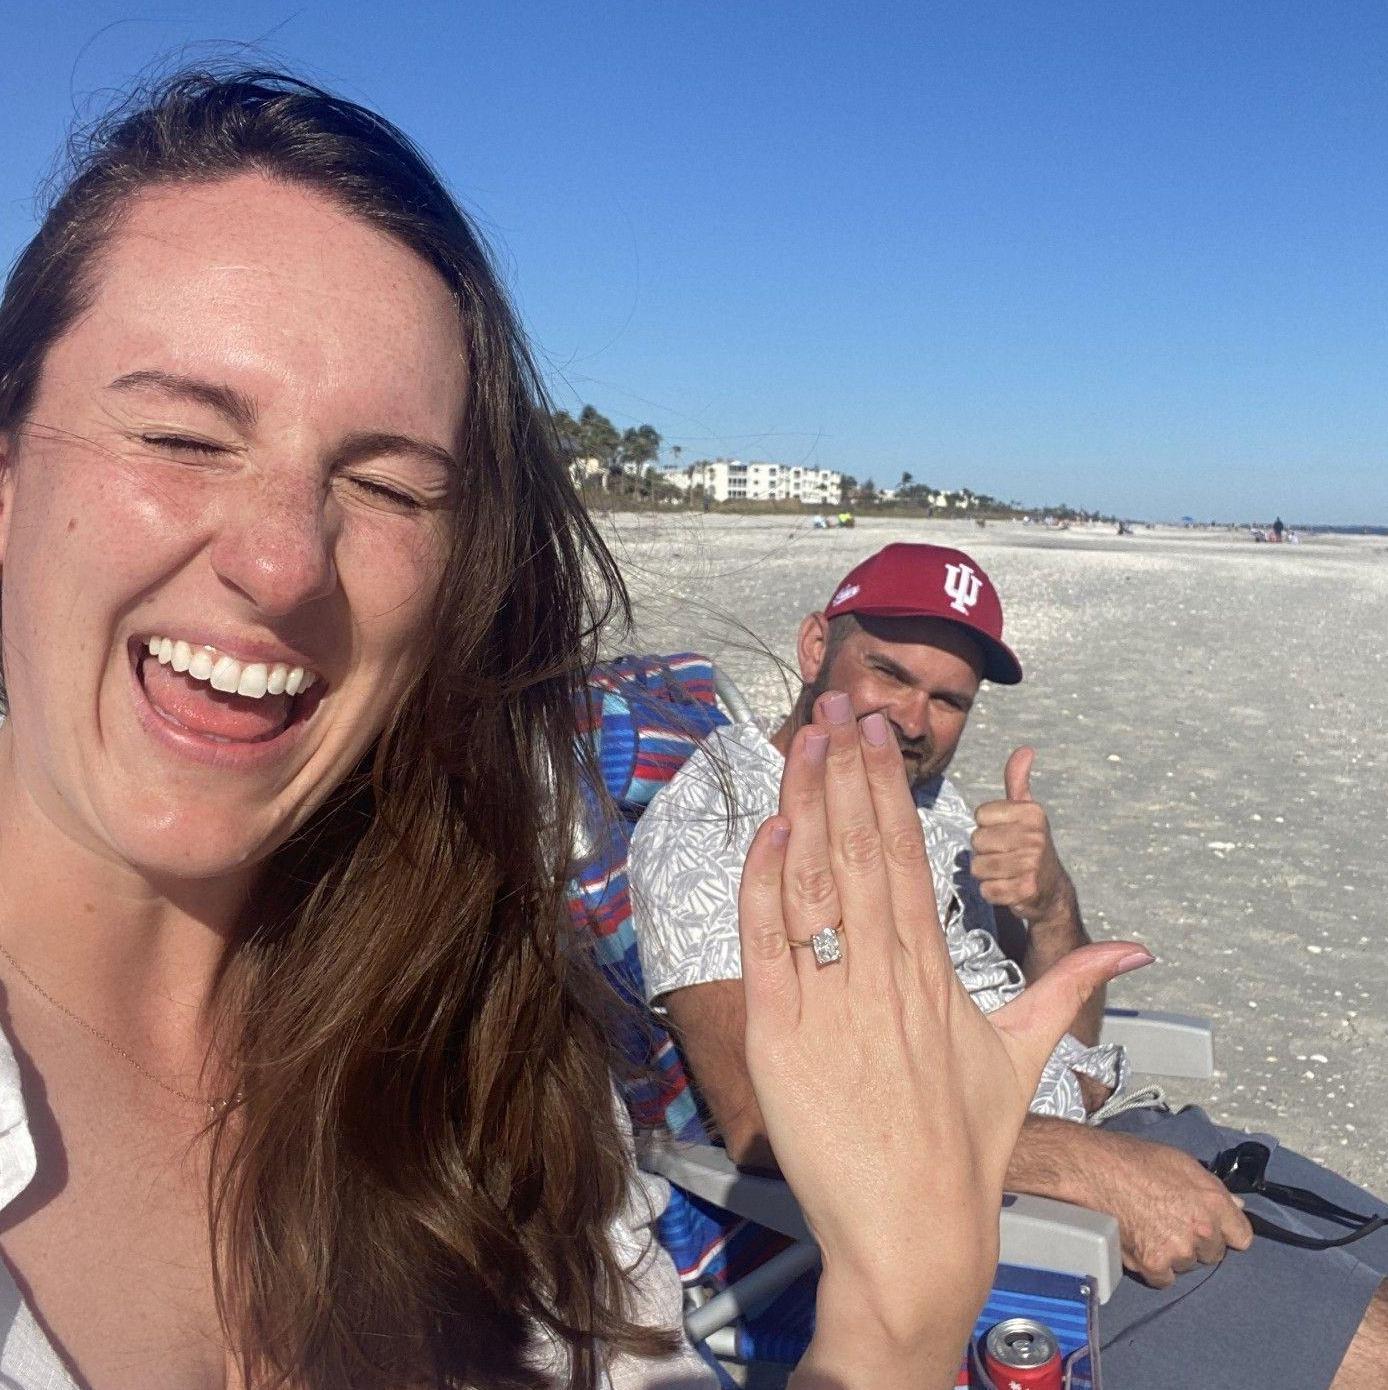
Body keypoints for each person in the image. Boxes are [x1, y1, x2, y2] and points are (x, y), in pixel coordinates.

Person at [0, 69, 1139, 1390]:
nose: (282, 560)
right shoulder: (729, 826)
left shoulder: (480, 1043)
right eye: (182, 436)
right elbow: (761, 1113)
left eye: (387, 486)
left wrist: (894, 1317)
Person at [629, 542, 1388, 1389]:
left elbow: (1069, 1049)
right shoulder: (718, 826)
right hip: (990, 1233)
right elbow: (754, 1121)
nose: (912, 720)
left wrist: (1051, 904)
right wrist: (1079, 1165)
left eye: (948, 700)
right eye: (888, 673)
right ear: (815, 647)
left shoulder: (929, 802)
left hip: (1118, 1142)